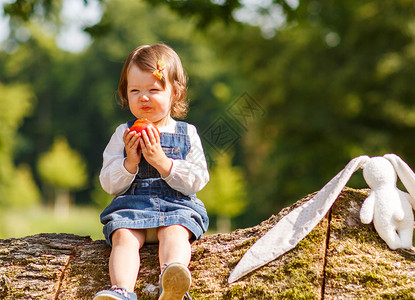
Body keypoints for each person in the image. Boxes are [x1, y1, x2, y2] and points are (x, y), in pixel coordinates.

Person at [93, 44, 209, 300]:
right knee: (123, 236)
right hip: (133, 208)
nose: (143, 97)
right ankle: (122, 290)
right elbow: (108, 183)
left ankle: (172, 280)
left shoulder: (186, 133)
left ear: (175, 92)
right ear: (125, 94)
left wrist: (162, 162)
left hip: (176, 207)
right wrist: (129, 164)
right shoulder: (123, 133)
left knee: (176, 231)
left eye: (153, 90)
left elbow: (198, 179)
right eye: (135, 90)